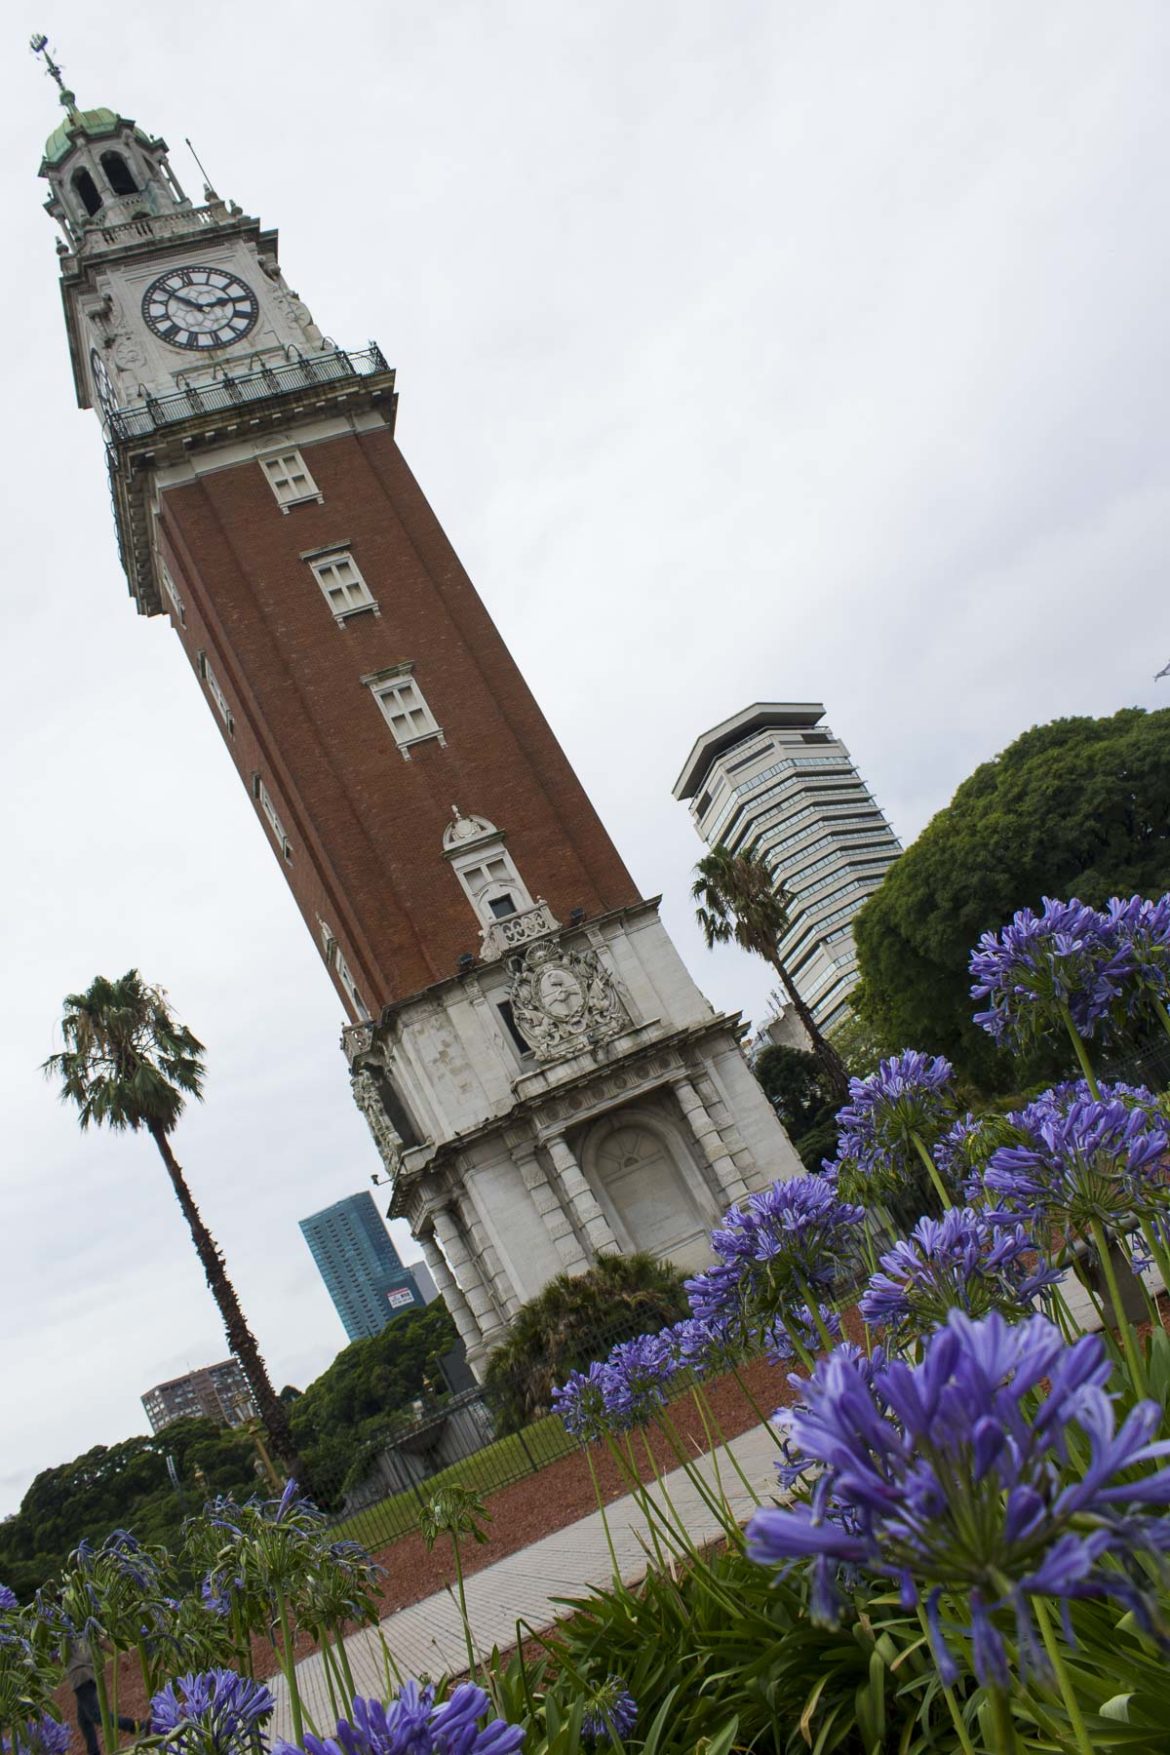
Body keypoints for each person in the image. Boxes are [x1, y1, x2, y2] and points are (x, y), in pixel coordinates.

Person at [65, 1637, 141, 1755]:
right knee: (83, 1720)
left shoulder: (71, 1630)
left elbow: (102, 1641)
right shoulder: (74, 1628)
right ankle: (93, 1751)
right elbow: (103, 1641)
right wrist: (120, 1657)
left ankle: (135, 1726)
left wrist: (120, 1657)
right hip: (84, 1676)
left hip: (81, 1677)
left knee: (97, 1715)